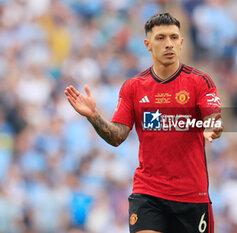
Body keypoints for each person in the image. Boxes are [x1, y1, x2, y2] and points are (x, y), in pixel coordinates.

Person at [65, 13, 222, 233]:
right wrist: (93, 115)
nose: (168, 44)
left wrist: (211, 128)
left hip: (191, 196)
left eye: (174, 37)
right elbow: (117, 136)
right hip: (149, 193)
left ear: (181, 42)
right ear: (148, 44)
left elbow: (214, 119)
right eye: (160, 38)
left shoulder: (200, 82)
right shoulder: (133, 87)